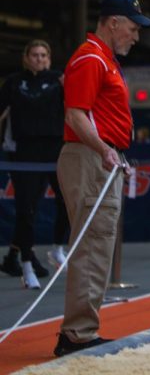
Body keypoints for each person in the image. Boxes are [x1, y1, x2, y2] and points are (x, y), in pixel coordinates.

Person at [54, 0, 150, 357]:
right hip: (92, 159)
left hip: (99, 158)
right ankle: (77, 334)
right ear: (113, 23)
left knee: (97, 246)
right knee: (93, 246)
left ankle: (79, 331)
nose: (136, 36)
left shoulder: (101, 59)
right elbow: (75, 114)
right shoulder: (92, 58)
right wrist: (104, 149)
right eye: (132, 27)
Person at [1, 40, 70, 289]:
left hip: (54, 148)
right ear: (26, 57)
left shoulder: (58, 79)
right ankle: (27, 264)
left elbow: (78, 106)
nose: (39, 59)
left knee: (67, 200)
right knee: (25, 209)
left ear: (49, 58)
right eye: (34, 55)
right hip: (25, 152)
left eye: (43, 55)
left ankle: (57, 248)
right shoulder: (13, 82)